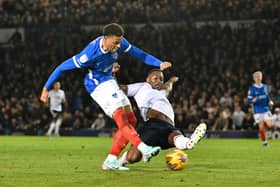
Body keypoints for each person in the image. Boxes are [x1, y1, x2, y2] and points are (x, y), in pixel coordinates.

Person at [40, 23, 172, 170]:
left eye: (119, 42)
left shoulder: (120, 43)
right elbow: (61, 67)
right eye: (115, 43)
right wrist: (46, 88)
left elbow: (139, 53)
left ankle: (111, 160)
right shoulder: (90, 54)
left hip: (109, 80)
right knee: (121, 116)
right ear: (106, 39)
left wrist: (159, 63)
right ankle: (143, 147)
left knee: (131, 119)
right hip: (97, 84)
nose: (118, 46)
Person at [117, 69, 207, 166]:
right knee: (133, 157)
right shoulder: (142, 87)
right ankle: (119, 162)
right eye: (155, 78)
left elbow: (168, 85)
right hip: (153, 124)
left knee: (175, 137)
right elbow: (121, 88)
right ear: (148, 79)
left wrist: (172, 80)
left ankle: (188, 143)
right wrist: (110, 76)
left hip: (168, 125)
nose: (159, 81)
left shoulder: (163, 91)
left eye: (161, 79)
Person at [247, 71, 274, 147]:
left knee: (270, 125)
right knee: (261, 127)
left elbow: (267, 96)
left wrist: (270, 101)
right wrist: (252, 100)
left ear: (261, 77)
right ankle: (264, 142)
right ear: (254, 79)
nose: (258, 78)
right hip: (257, 110)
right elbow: (248, 101)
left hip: (265, 109)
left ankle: (260, 122)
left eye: (259, 76)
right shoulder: (252, 89)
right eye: (257, 77)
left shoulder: (265, 86)